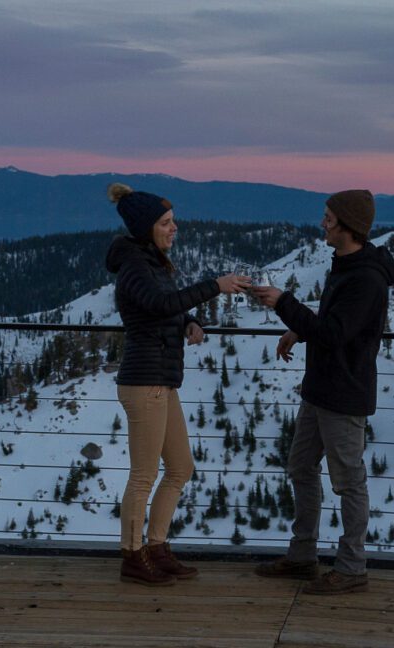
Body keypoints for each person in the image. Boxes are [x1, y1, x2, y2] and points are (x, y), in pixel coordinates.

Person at [105, 182, 250, 586]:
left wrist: (189, 322)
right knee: (143, 476)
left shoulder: (152, 262)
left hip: (162, 381)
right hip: (144, 382)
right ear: (146, 228)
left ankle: (156, 546)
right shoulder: (136, 264)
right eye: (166, 223)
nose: (175, 228)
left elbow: (160, 310)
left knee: (181, 467)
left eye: (173, 221)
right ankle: (132, 557)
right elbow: (156, 305)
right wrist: (214, 286)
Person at [252, 189, 394, 595]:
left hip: (344, 392)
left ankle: (352, 567)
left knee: (349, 482)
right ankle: (302, 557)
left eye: (329, 218)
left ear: (347, 226)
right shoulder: (347, 265)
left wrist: (285, 303)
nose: (322, 223)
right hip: (321, 388)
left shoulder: (366, 278)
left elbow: (334, 335)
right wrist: (299, 328)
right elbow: (335, 323)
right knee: (301, 466)